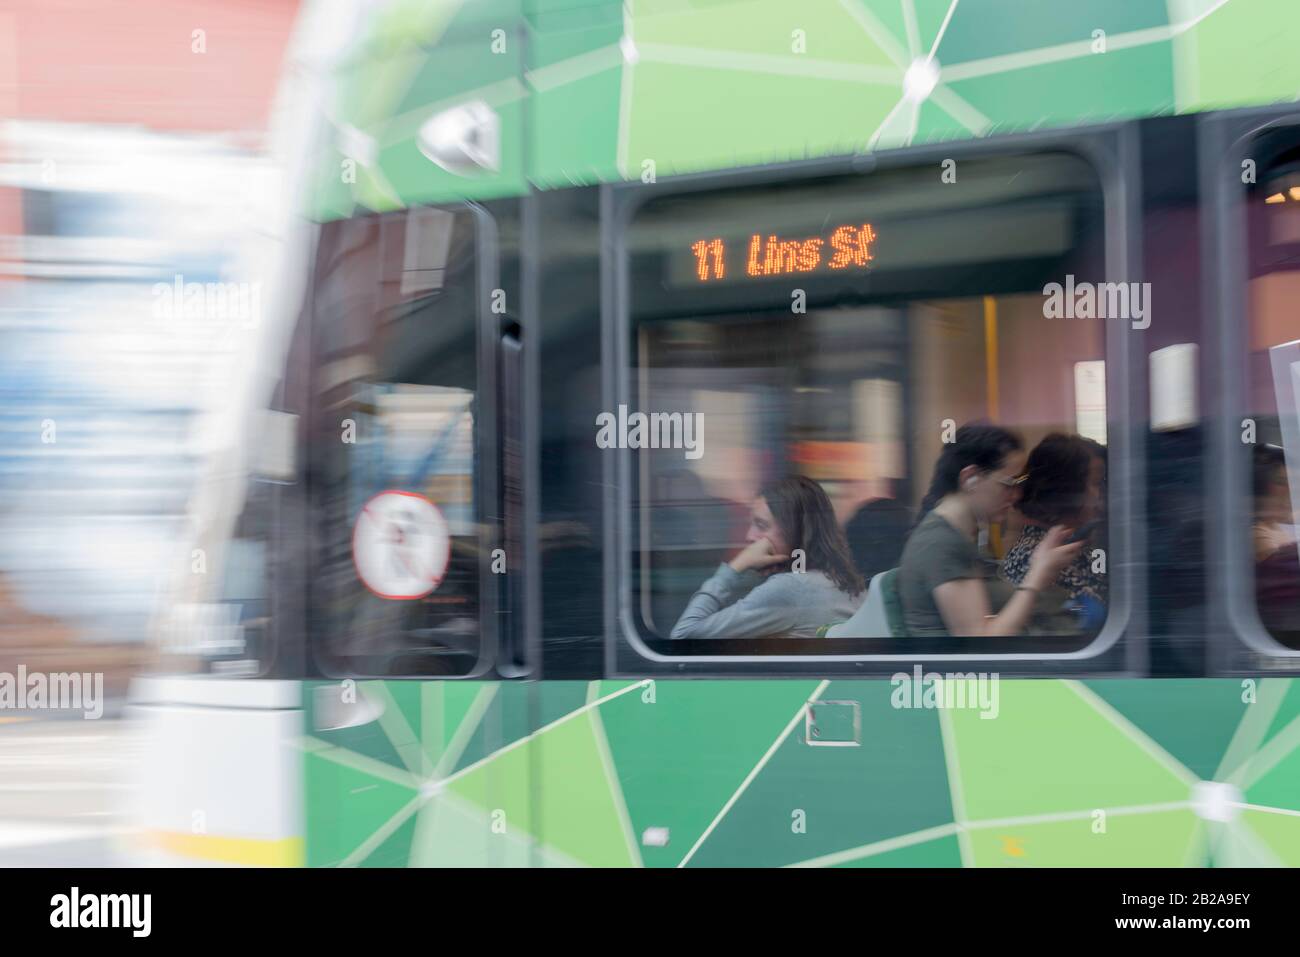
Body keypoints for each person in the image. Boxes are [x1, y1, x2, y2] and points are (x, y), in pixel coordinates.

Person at [897, 423, 1083, 638]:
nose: (1015, 495)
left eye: (1019, 484)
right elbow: (980, 643)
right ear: (970, 479)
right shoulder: (941, 543)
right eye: (1007, 484)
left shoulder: (965, 535)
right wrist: (1037, 577)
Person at [670, 475, 864, 640]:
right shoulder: (842, 581)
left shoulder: (790, 588)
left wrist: (734, 568)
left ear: (795, 531)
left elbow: (683, 635)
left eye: (761, 526)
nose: (749, 536)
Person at [999, 433, 1107, 627]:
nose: (1101, 494)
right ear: (1067, 489)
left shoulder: (1076, 544)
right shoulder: (1032, 557)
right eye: (1096, 482)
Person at [1252, 444, 1300, 637]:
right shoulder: (1257, 534)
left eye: (1295, 482)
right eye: (1281, 482)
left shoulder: (1285, 524)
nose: (1291, 490)